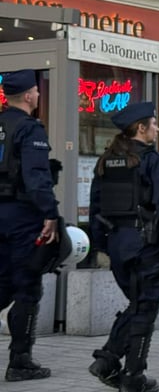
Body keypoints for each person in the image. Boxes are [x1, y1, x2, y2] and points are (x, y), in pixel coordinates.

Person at [85, 101, 159, 392]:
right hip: (145, 248)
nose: (157, 128)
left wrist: (101, 246)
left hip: (118, 247)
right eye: (153, 124)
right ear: (141, 128)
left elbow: (95, 207)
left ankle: (111, 362)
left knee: (138, 306)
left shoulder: (106, 161)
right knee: (145, 310)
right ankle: (130, 375)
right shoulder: (151, 161)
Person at [0, 70, 58, 382]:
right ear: (27, 95)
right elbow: (36, 177)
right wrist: (50, 214)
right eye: (35, 91)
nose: (37, 95)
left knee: (2, 284)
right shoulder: (29, 128)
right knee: (27, 287)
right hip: (22, 217)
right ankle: (20, 361)